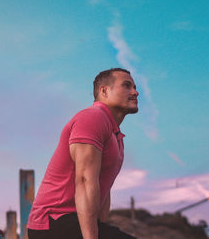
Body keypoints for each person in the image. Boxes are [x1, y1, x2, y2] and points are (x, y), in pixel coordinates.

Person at [27, 68, 139, 239]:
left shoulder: (115, 135)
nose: (135, 92)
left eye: (135, 87)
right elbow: (85, 181)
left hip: (74, 222)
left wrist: (101, 228)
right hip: (55, 222)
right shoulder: (93, 118)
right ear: (104, 91)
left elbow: (103, 188)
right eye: (127, 86)